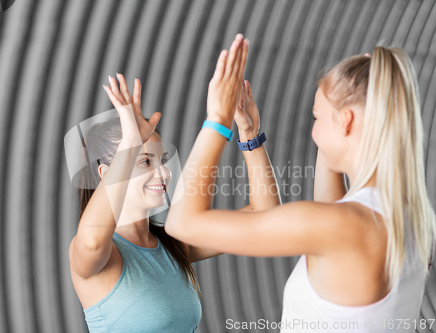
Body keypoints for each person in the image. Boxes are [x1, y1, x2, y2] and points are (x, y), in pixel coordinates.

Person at [165, 33, 436, 332]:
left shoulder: (344, 226)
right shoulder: (410, 218)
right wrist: (251, 135)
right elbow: (331, 208)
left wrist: (217, 119)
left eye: (317, 118)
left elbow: (183, 224)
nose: (313, 131)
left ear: (345, 121)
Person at [68, 72, 279, 333]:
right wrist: (131, 144)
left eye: (163, 160)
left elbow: (265, 217)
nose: (164, 172)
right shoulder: (95, 255)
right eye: (145, 161)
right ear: (106, 174)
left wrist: (250, 134)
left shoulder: (172, 244)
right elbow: (91, 240)